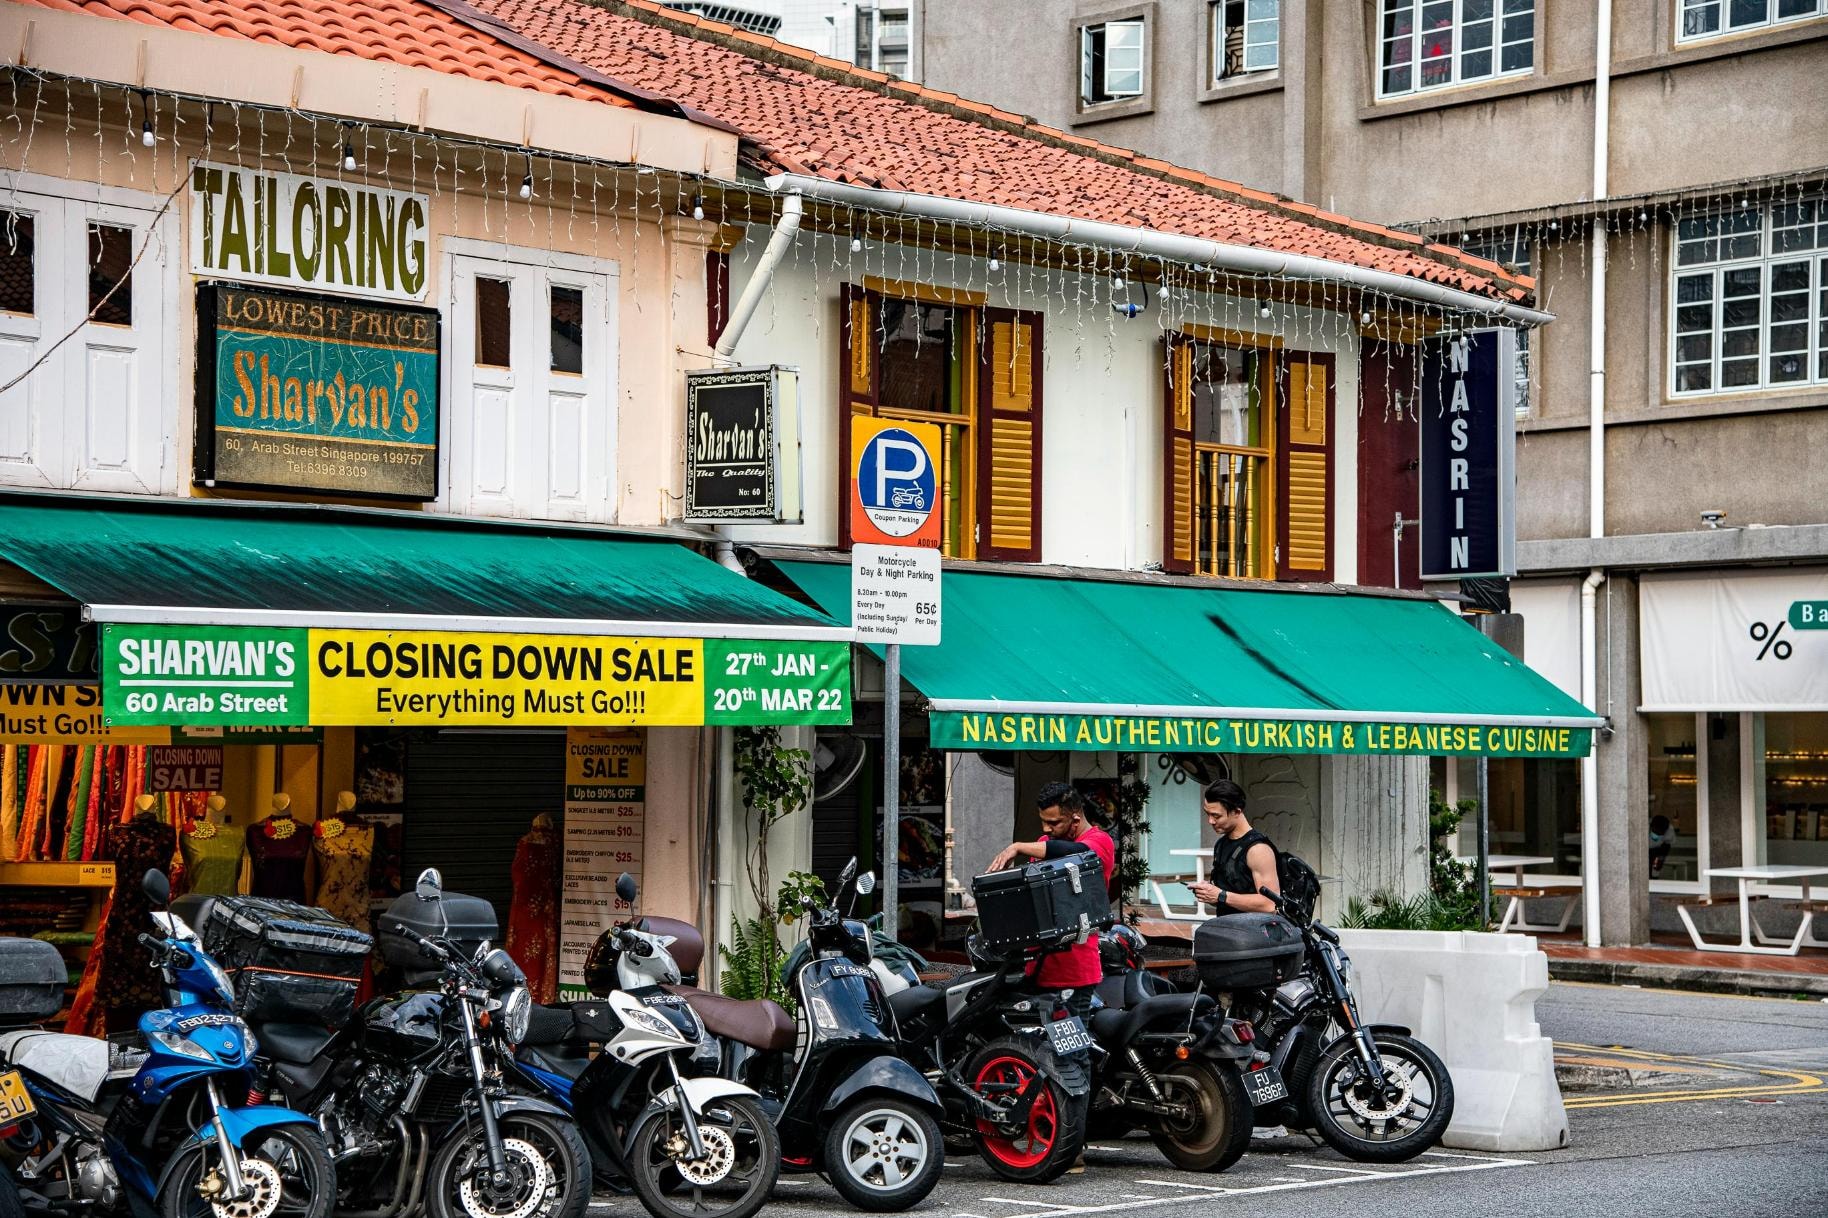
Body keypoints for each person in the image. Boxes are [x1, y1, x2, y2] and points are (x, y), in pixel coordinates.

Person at [987, 781, 1116, 1020]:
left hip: (1075, 971)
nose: (1046, 829)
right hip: (1039, 969)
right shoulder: (1045, 843)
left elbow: (1075, 852)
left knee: (1071, 1055)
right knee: (1042, 1052)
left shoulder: (1099, 842)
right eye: (1043, 821)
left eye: (1054, 823)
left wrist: (1018, 847)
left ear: (1075, 820)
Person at [1189, 779, 1280, 915]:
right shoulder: (1221, 844)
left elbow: (1270, 904)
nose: (1210, 821)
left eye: (1216, 816)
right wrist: (1209, 892)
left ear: (1237, 812)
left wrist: (1221, 895)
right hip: (1228, 930)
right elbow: (1226, 896)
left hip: (1254, 933)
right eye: (1207, 814)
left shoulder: (1258, 850)